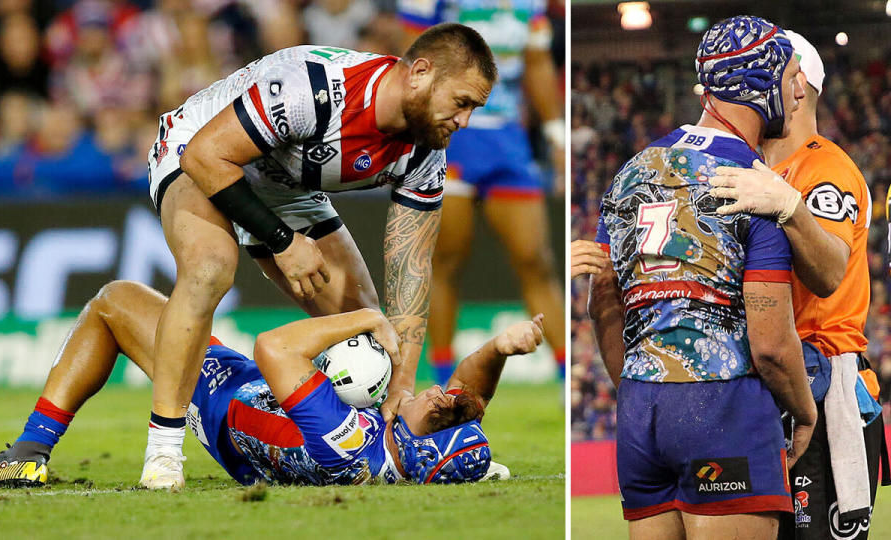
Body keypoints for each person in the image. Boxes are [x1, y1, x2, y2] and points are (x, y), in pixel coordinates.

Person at [141, 23, 496, 489]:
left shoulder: (424, 153)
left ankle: (390, 448)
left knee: (366, 322)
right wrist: (282, 241)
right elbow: (207, 157)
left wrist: (402, 386)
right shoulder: (312, 88)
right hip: (198, 147)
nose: (464, 121)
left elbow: (410, 268)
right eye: (462, 102)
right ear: (421, 73)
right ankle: (163, 449)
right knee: (210, 266)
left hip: (280, 181)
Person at [0, 280, 544, 490]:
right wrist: (496, 349)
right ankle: (30, 450)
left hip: (219, 395)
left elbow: (274, 346)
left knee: (114, 302)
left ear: (420, 446)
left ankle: (30, 451)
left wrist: (366, 319)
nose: (442, 397)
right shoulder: (396, 450)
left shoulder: (349, 439)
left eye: (441, 416)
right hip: (251, 406)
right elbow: (469, 400)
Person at [588, 16, 817, 539]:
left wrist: (640, 387)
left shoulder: (632, 172)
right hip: (723, 407)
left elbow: (604, 305)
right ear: (758, 87)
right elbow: (772, 348)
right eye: (791, 77)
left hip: (641, 412)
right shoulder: (753, 186)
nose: (800, 92)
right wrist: (804, 414)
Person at [708, 31, 886, 540]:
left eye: (762, 75)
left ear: (797, 86)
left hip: (822, 390)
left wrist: (788, 206)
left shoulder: (825, 167)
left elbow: (829, 276)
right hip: (764, 386)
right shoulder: (750, 168)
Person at [398, 0, 566, 385]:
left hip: (507, 138)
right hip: (449, 134)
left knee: (535, 258)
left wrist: (556, 131)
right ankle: (443, 380)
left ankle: (565, 379)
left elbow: (537, 62)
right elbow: (410, 59)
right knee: (446, 262)